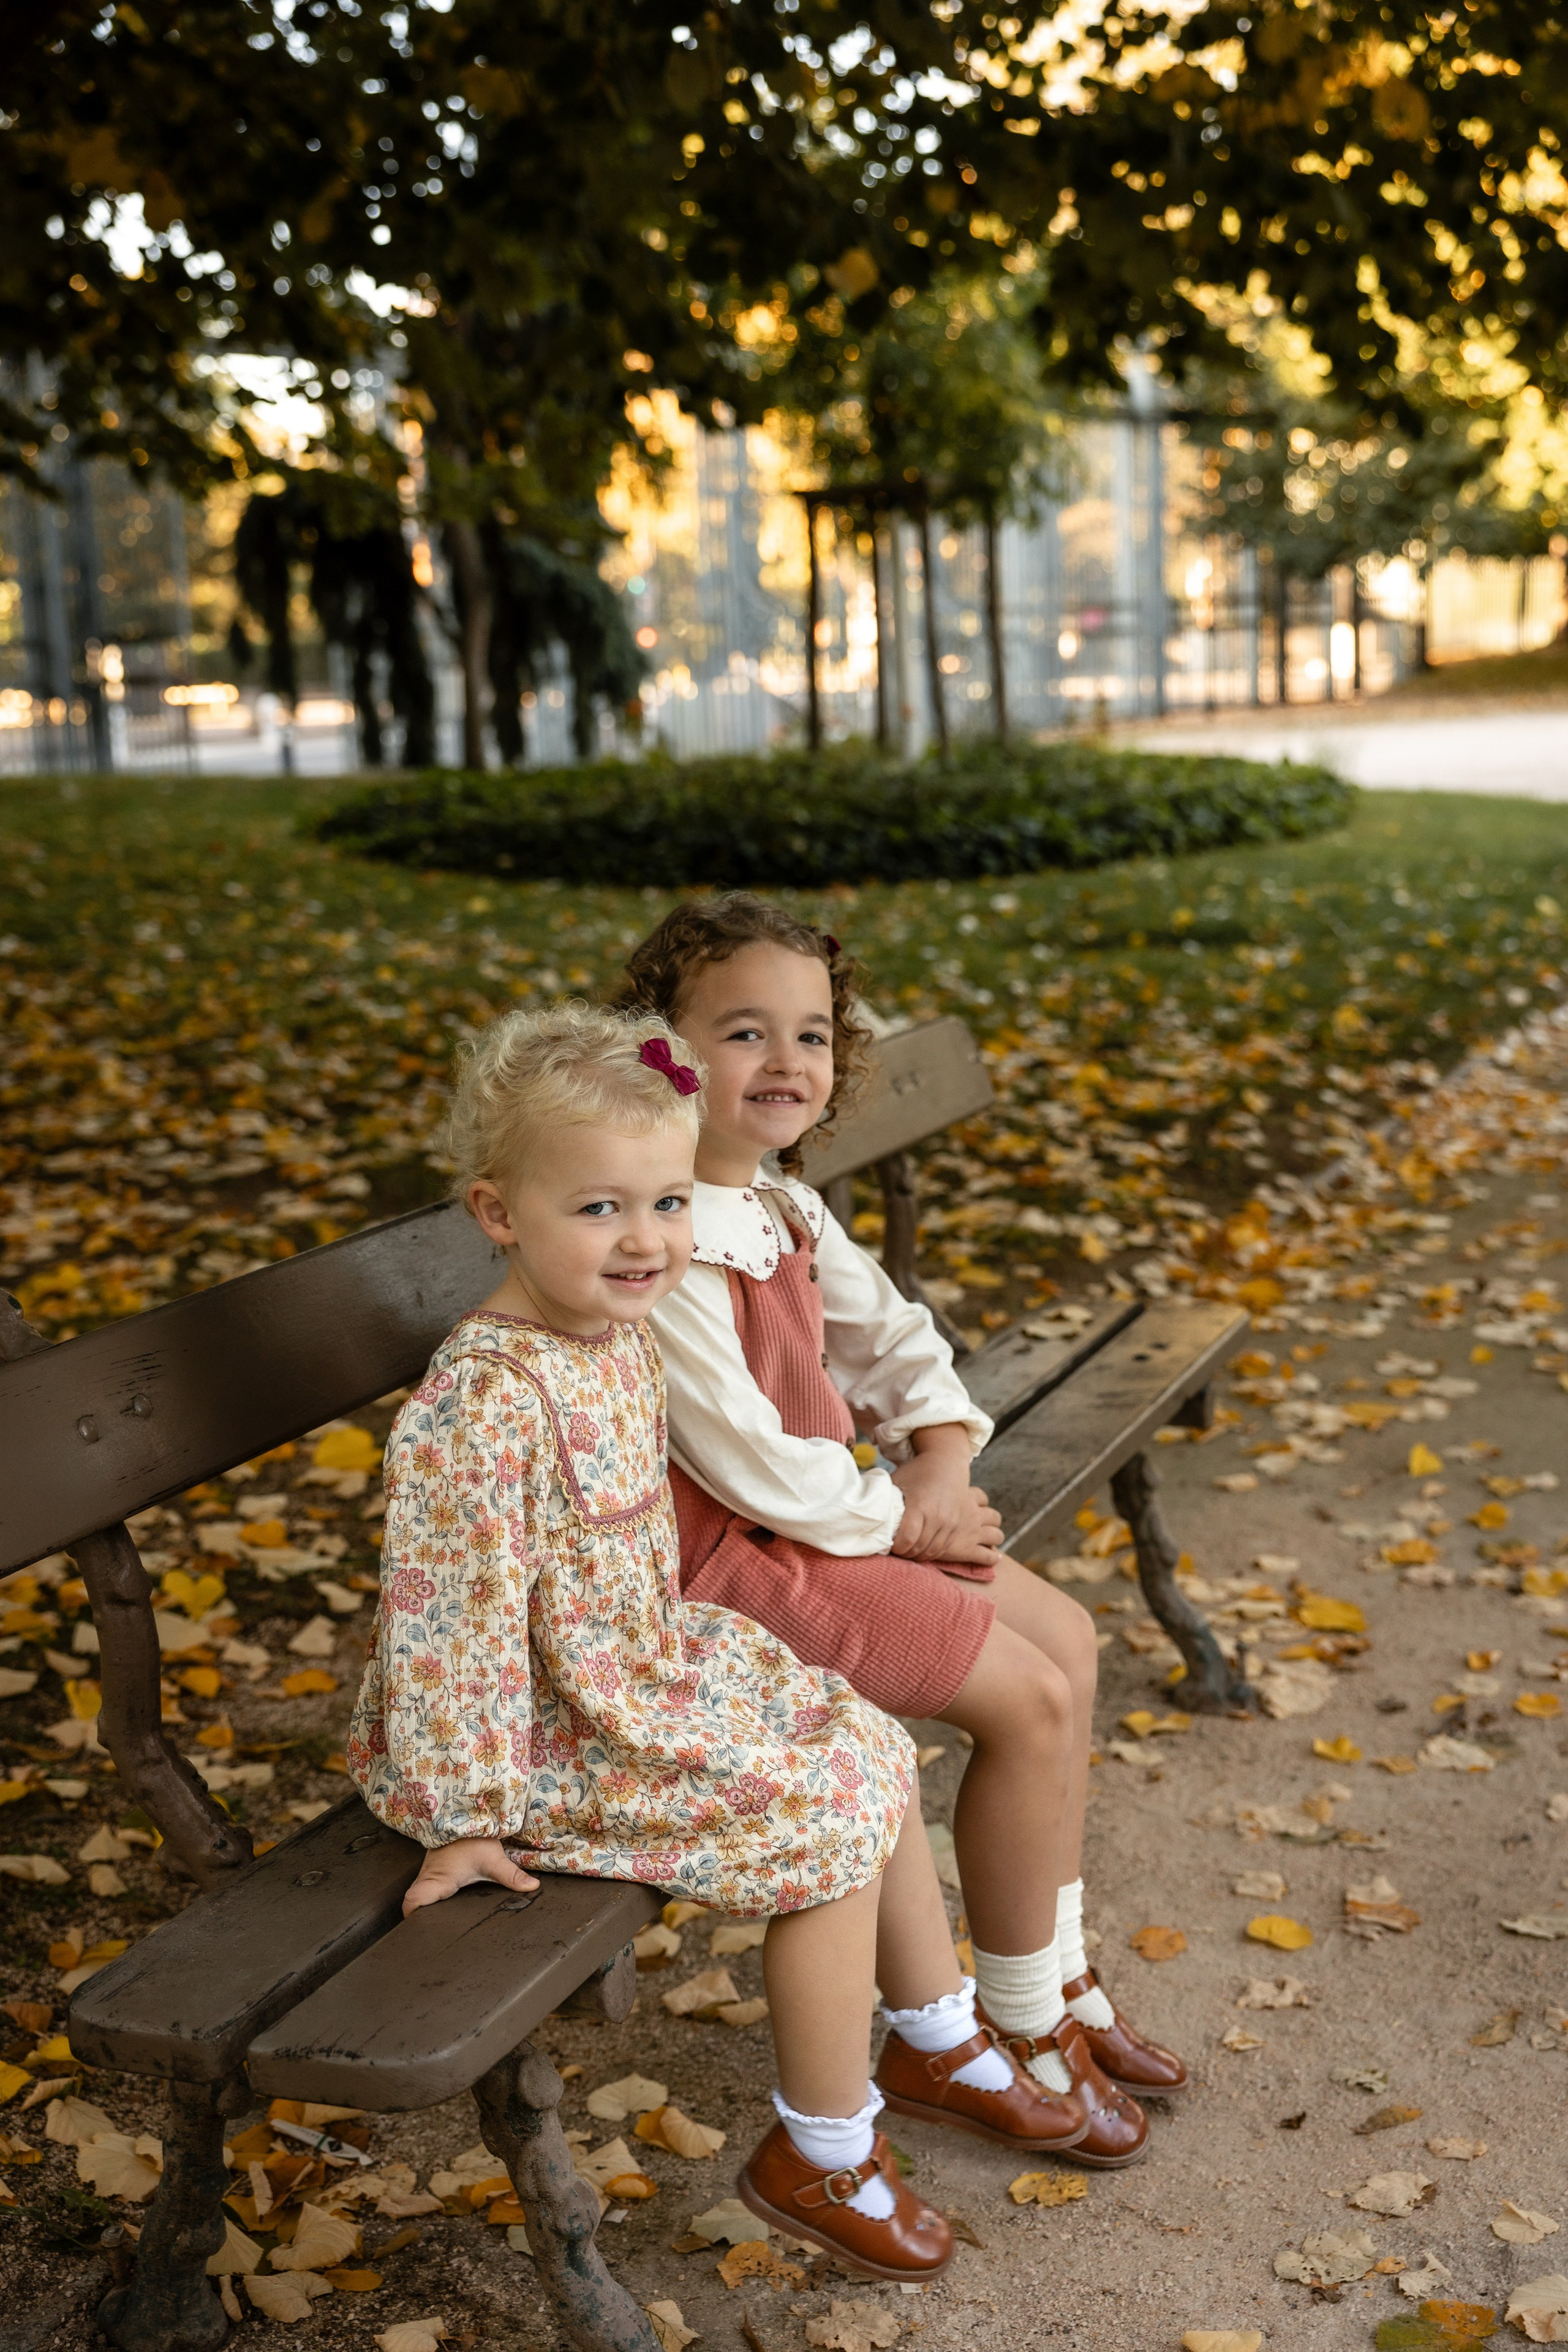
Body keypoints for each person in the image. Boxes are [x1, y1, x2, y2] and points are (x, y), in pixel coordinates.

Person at [348, 1002, 1099, 2282]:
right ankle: (824, 2148)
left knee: (857, 1735)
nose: (645, 1240)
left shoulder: (609, 1334)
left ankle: (933, 2034)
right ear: (497, 1213)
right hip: (535, 1735)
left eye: (665, 1204)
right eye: (599, 1209)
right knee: (825, 1815)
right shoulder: (483, 1402)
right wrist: (463, 1818)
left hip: (632, 1665)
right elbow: (448, 1628)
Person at [620, 897, 1188, 2164]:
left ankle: (1050, 1980)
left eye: (812, 1034)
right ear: (661, 1052)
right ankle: (1018, 2026)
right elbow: (752, 1468)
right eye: (744, 1032)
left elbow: (894, 1341)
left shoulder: (780, 1207)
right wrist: (909, 1517)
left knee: (1068, 1641)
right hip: (737, 1568)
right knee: (1027, 1701)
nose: (786, 1060)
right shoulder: (662, 1235)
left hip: (828, 1526)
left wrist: (939, 1455)